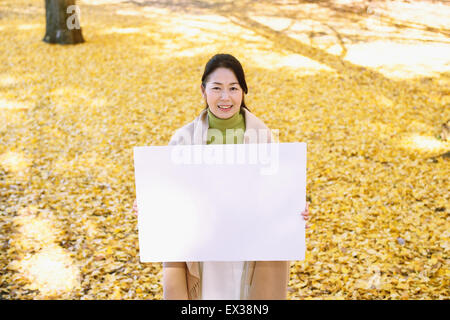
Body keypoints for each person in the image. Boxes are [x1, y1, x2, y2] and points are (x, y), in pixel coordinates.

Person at [133, 53, 310, 300]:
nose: (225, 97)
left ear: (243, 92)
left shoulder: (264, 137)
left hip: (249, 254)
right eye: (217, 88)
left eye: (233, 88)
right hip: (205, 256)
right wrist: (151, 209)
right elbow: (170, 196)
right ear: (203, 91)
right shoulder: (183, 140)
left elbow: (278, 195)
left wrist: (295, 210)